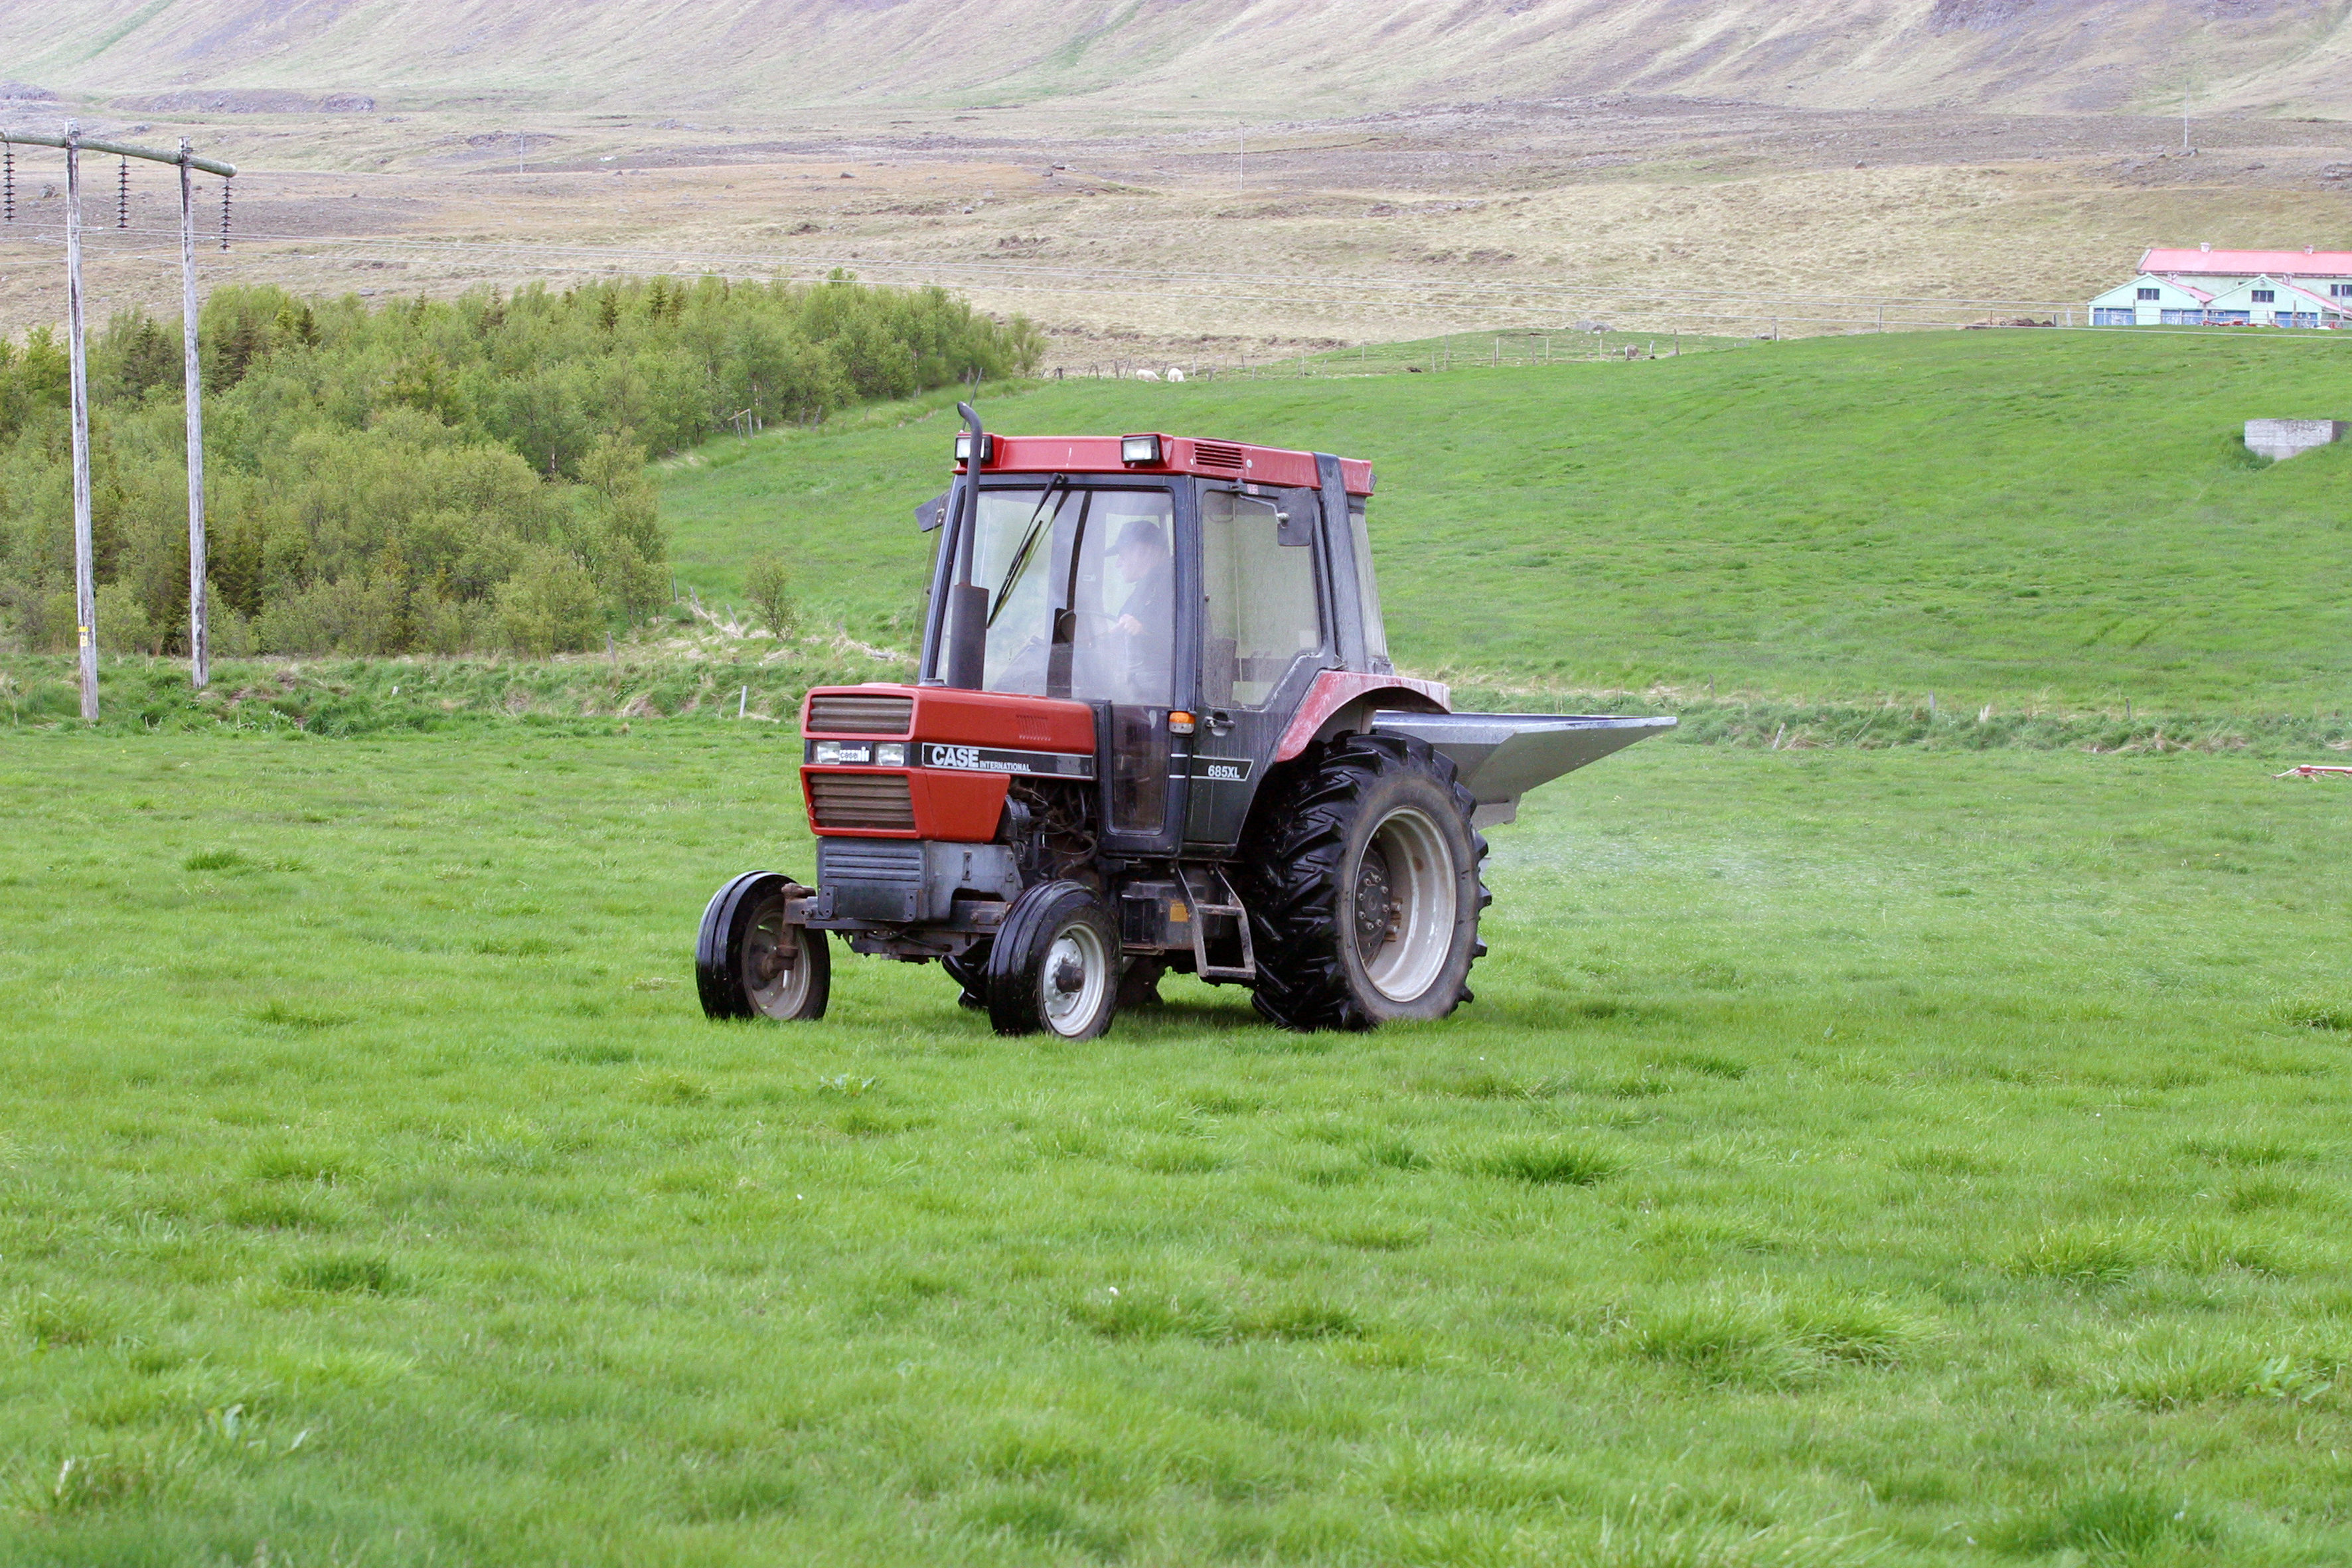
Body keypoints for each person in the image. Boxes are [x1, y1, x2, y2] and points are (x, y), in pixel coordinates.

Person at [1109, 515, 1172, 700]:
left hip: (1160, 696)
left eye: (1122, 555)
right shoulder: (1145, 588)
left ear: (1143, 550)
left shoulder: (1175, 584)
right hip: (1140, 686)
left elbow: (1184, 641)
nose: (1118, 564)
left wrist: (1142, 630)